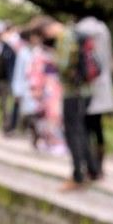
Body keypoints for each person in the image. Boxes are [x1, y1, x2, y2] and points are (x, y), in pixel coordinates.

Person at [59, 13, 113, 187]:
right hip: (102, 85)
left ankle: (87, 170)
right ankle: (98, 168)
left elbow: (65, 63)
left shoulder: (78, 32)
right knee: (97, 129)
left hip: (83, 88)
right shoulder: (103, 30)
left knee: (82, 130)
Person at [31, 22, 66, 154]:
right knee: (48, 115)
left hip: (57, 84)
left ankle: (57, 141)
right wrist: (36, 87)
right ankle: (50, 141)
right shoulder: (39, 52)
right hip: (46, 85)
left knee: (56, 115)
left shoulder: (58, 48)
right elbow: (35, 71)